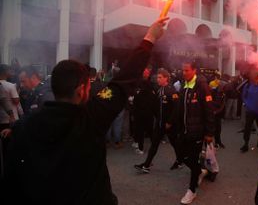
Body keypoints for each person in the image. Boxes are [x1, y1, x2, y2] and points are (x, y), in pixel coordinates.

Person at [1, 18, 168, 205]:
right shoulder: (91, 117)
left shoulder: (25, 126)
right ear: (81, 90)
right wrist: (150, 37)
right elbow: (124, 80)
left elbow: (11, 180)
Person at [177, 61, 215, 204]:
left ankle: (192, 190)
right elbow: (180, 109)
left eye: (187, 70)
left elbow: (209, 111)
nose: (184, 73)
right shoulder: (184, 86)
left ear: (194, 71)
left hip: (197, 132)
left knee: (193, 158)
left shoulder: (202, 86)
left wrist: (209, 133)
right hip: (184, 131)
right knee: (181, 156)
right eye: (183, 70)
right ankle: (200, 170)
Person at [134, 68, 183, 173]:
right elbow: (157, 106)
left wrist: (170, 122)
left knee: (175, 143)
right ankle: (146, 165)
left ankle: (180, 160)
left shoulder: (171, 90)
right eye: (157, 77)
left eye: (160, 78)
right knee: (154, 144)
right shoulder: (159, 90)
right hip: (160, 123)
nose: (158, 79)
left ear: (166, 78)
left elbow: (176, 108)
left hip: (170, 124)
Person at [132, 66, 157, 155]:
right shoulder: (140, 84)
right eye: (145, 72)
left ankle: (143, 147)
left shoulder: (150, 84)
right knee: (142, 130)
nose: (146, 73)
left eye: (147, 72)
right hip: (141, 112)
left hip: (146, 112)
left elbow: (136, 99)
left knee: (145, 130)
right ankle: (141, 145)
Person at [0, 64, 20, 132]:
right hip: (9, 119)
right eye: (10, 70)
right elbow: (16, 101)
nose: (11, 72)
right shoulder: (11, 86)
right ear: (5, 72)